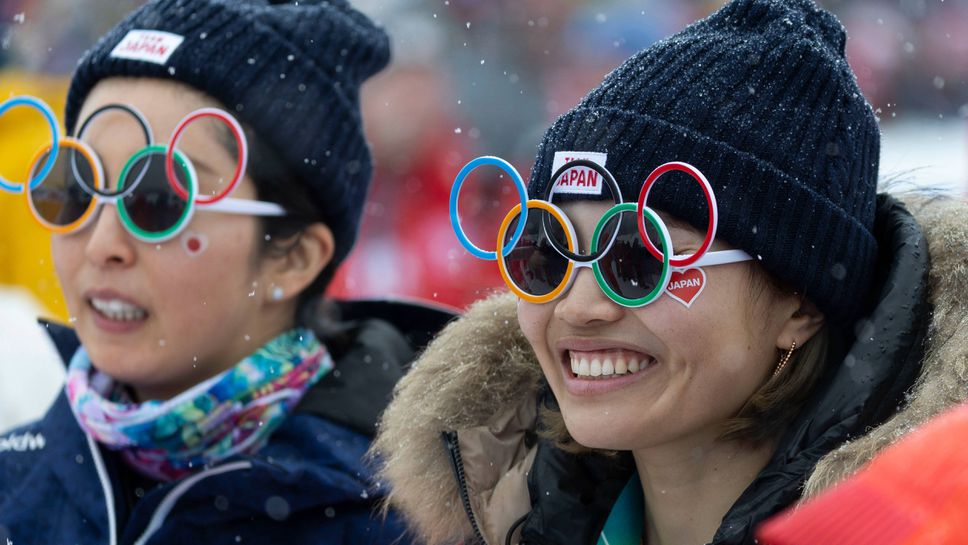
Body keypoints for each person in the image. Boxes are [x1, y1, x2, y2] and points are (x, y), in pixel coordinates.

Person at [371, 1, 968, 544]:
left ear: (799, 303)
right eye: (545, 255)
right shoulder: (498, 522)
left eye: (638, 258)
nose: (579, 307)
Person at [0, 1, 453, 544]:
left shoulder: (404, 520)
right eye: (76, 187)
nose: (101, 245)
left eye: (157, 199)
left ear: (294, 256)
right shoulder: (16, 485)